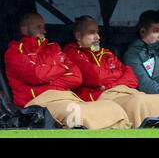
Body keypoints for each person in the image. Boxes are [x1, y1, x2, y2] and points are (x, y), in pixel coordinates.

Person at [4, 13, 132, 129]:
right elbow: (36, 75)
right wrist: (62, 70)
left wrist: (49, 81)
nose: (44, 30)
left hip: (68, 97)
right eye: (38, 27)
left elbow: (76, 77)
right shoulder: (14, 51)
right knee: (78, 112)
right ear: (24, 29)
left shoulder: (53, 48)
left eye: (43, 26)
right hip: (40, 103)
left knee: (113, 108)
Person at [63, 15, 159, 128]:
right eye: (92, 33)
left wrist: (109, 84)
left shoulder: (107, 53)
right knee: (138, 102)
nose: (98, 37)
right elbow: (96, 77)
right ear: (78, 36)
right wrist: (117, 76)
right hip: (101, 97)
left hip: (125, 91)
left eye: (98, 32)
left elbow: (131, 77)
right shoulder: (71, 52)